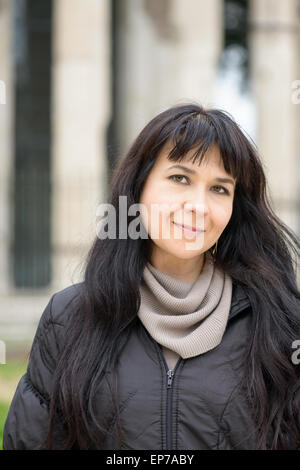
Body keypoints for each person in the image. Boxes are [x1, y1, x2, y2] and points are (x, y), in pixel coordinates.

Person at [3, 103, 300, 450]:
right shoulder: (68, 319)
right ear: (139, 187)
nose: (199, 206)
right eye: (180, 178)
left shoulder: (279, 324)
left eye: (220, 188)